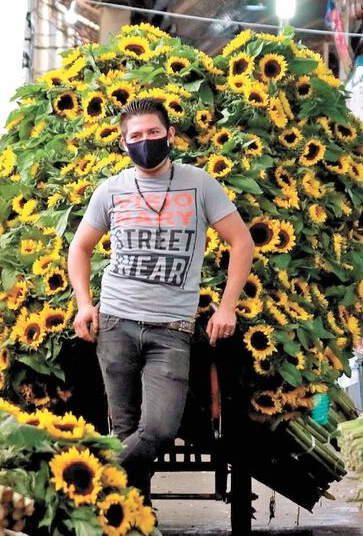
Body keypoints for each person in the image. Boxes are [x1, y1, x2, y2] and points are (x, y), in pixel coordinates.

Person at [67, 98, 254, 500]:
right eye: (135, 136)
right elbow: (79, 248)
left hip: (172, 329)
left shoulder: (200, 183)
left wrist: (227, 307)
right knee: (124, 429)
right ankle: (136, 517)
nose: (145, 141)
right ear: (123, 143)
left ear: (170, 135)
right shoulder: (111, 190)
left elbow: (242, 242)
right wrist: (85, 303)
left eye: (153, 132)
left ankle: (84, 481)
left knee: (159, 430)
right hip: (115, 322)